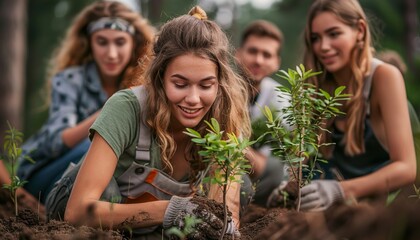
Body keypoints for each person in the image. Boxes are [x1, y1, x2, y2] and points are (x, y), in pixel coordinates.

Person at [47, 6, 249, 239]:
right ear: (160, 78)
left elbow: (225, 214)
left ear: (219, 84)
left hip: (151, 229)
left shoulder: (225, 121)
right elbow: (78, 210)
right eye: (180, 84)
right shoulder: (126, 107)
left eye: (205, 85)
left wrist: (223, 227)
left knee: (241, 187)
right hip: (80, 213)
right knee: (107, 192)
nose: (193, 99)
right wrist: (171, 210)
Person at [17, 0, 155, 204]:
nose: (111, 53)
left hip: (106, 176)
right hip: (44, 173)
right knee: (96, 144)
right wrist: (109, 113)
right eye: (102, 42)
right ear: (89, 43)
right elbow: (56, 141)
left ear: (134, 43)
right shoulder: (70, 79)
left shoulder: (142, 84)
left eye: (119, 42)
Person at [284, 0, 416, 211]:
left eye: (334, 34)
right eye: (315, 38)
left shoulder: (383, 77)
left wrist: (340, 190)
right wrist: (290, 189)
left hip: (383, 212)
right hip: (334, 215)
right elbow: (310, 162)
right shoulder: (315, 87)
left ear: (360, 31)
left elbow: (407, 168)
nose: (323, 47)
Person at [235, 20, 290, 206]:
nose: (258, 60)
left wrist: (232, 142)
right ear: (238, 54)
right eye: (252, 51)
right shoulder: (216, 88)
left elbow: (266, 165)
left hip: (259, 180)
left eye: (267, 55)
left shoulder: (282, 99)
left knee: (275, 169)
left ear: (276, 62)